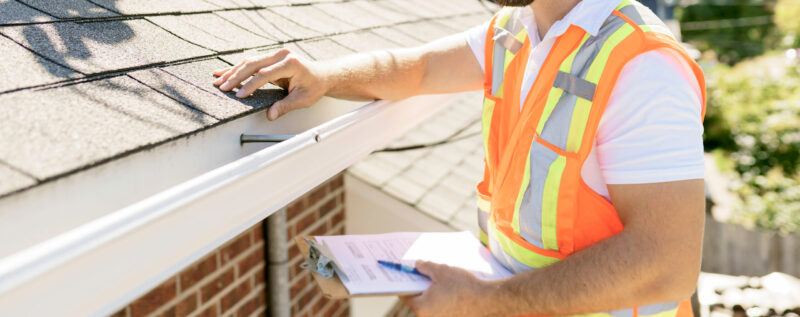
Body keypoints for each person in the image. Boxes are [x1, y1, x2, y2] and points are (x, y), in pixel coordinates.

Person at [212, 0, 706, 315]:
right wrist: (324, 75)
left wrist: (488, 302)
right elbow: (421, 70)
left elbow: (666, 262)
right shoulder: (516, 29)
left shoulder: (643, 65)